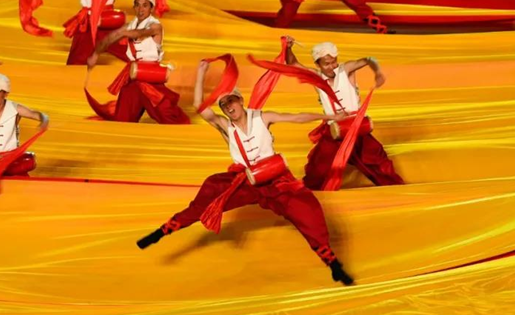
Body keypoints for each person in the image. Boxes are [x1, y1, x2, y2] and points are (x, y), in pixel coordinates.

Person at [136, 58, 355, 286]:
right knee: (208, 197)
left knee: (307, 210)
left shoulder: (262, 117)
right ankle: (162, 231)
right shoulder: (225, 126)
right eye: (224, 105)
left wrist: (329, 117)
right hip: (246, 180)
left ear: (240, 101)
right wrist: (201, 73)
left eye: (231, 101)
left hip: (277, 181)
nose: (229, 107)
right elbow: (200, 106)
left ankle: (333, 264)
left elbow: (297, 117)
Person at [285, 39, 403, 190]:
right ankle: (311, 192)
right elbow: (292, 64)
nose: (332, 66)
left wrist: (377, 72)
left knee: (376, 161)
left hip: (356, 128)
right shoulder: (316, 77)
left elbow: (370, 59)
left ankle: (395, 188)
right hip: (335, 131)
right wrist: (288, 48)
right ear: (318, 64)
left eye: (334, 62)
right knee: (319, 166)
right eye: (326, 64)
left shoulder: (346, 70)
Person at [86, 0, 190, 124]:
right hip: (134, 77)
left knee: (167, 114)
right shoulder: (129, 26)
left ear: (151, 8)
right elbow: (110, 38)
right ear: (134, 7)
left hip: (150, 77)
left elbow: (138, 34)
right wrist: (95, 54)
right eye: (138, 5)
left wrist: (122, 33)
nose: (141, 9)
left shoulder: (155, 26)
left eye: (145, 5)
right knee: (122, 118)